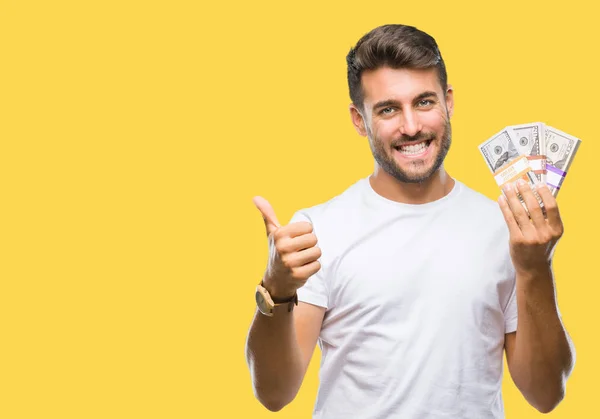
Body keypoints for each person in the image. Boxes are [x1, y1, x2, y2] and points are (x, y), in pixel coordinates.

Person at [244, 24, 576, 418]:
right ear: (358, 120)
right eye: (388, 109)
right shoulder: (318, 229)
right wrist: (276, 291)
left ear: (448, 102)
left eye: (424, 102)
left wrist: (535, 268)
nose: (412, 126)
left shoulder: (507, 229)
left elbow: (546, 394)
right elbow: (274, 394)